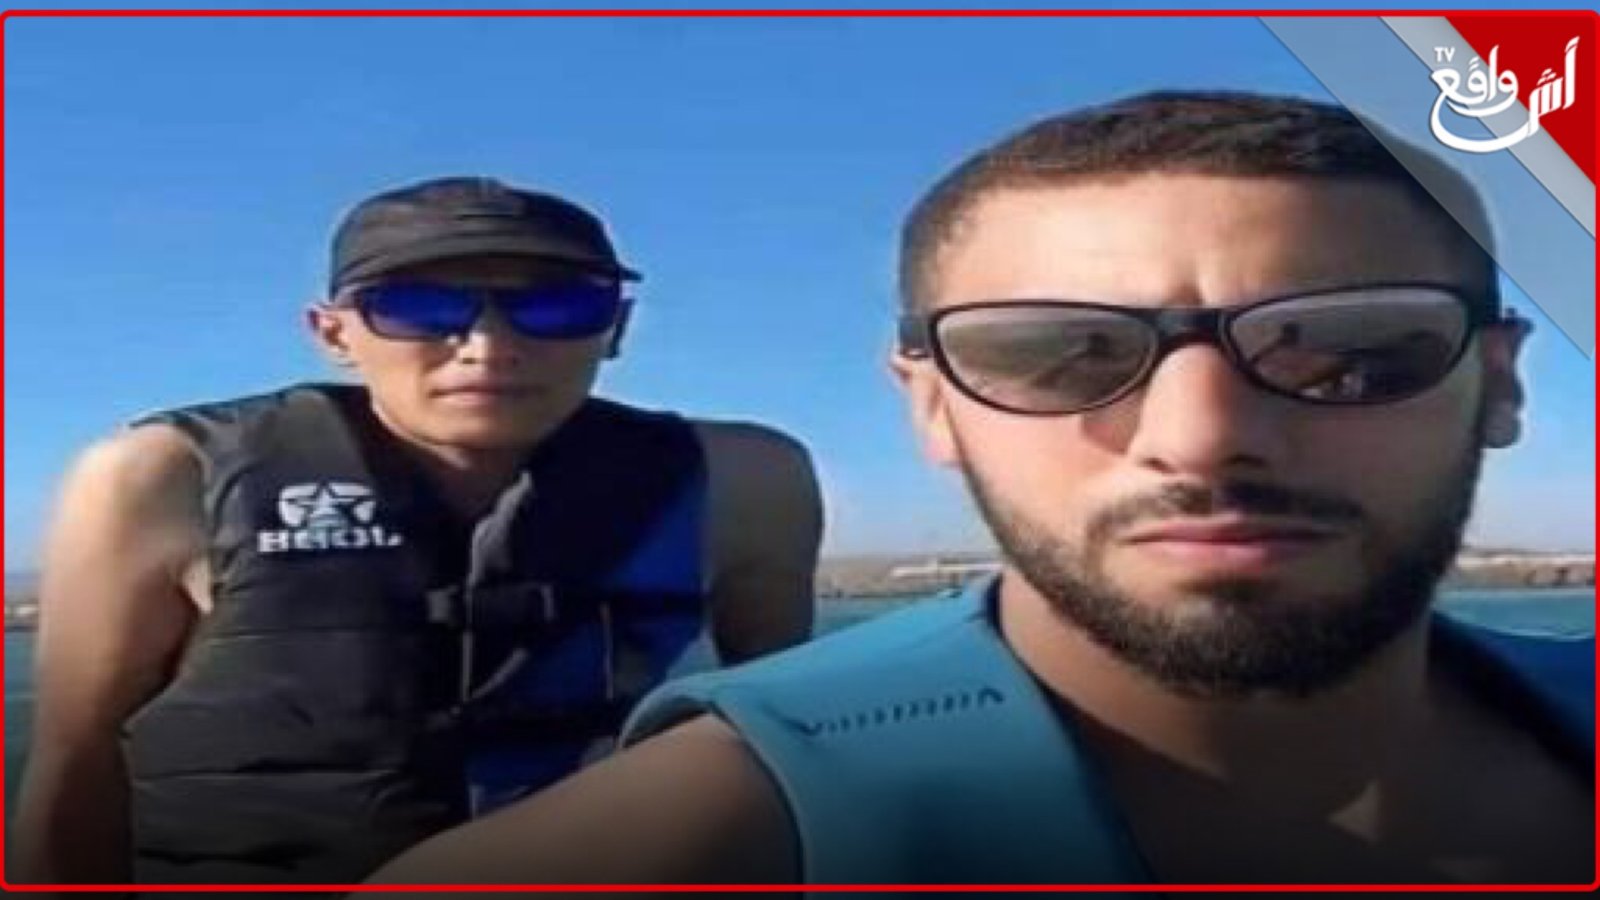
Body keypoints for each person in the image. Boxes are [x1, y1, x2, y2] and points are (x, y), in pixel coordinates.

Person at [365, 93, 1594, 888]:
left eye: (1348, 353)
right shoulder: (665, 854)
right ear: (932, 406)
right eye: (1056, 357)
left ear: (1496, 385)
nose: (1202, 440)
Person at [13, 176, 823, 887]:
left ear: (615, 328)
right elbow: (76, 760)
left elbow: (793, 743)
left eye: (556, 305)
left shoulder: (741, 480)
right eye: (418, 308)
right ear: (334, 334)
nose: (489, 347)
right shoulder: (162, 478)